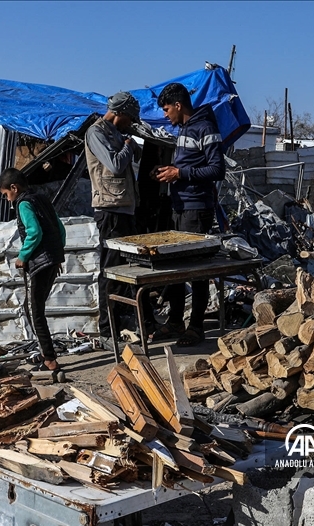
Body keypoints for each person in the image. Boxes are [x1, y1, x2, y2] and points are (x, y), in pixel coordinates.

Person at [151, 82, 225, 347]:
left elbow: (217, 170)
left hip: (197, 209)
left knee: (196, 269)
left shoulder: (205, 127)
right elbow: (189, 165)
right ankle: (175, 321)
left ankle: (196, 327)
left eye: (167, 108)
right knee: (178, 268)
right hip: (180, 207)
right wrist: (170, 170)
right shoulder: (183, 130)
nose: (165, 114)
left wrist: (180, 173)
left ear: (179, 105)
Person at [85, 91, 148, 349]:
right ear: (119, 113)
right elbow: (114, 165)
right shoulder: (96, 132)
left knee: (127, 272)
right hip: (110, 210)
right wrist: (130, 145)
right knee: (110, 272)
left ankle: (124, 326)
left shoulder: (115, 134)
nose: (131, 124)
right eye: (130, 118)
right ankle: (106, 331)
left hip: (124, 209)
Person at [0, 167, 66, 372]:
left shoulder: (23, 204)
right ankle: (47, 354)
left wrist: (23, 256)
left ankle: (49, 360)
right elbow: (60, 229)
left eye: (6, 195)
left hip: (40, 262)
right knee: (37, 308)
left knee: (35, 311)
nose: (8, 200)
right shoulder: (42, 199)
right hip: (53, 258)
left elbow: (34, 232)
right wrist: (56, 254)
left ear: (14, 188)